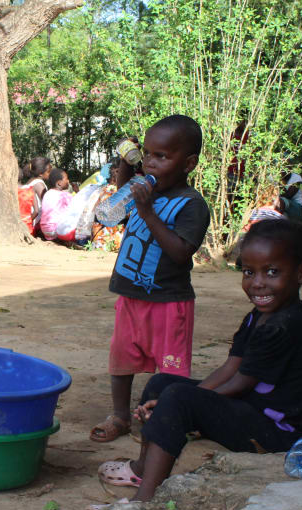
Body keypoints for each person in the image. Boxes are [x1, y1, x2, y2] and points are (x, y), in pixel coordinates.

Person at [89, 219, 302, 510]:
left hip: (278, 434)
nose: (258, 282)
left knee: (177, 397)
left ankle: (143, 501)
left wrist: (178, 403)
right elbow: (230, 368)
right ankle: (140, 469)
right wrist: (173, 399)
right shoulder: (259, 316)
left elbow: (240, 383)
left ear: (301, 273)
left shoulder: (283, 326)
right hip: (252, 409)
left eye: (272, 272)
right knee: (164, 384)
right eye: (249, 272)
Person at [89, 115, 211, 443]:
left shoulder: (192, 205)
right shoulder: (142, 191)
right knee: (122, 358)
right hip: (131, 296)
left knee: (170, 370)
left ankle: (165, 418)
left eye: (162, 156)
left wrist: (147, 213)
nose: (151, 163)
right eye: (147, 154)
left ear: (188, 164)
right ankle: (120, 415)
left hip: (169, 302)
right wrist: (126, 164)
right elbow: (116, 206)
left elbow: (181, 252)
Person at [39, 168, 74, 242]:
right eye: (66, 179)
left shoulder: (47, 193)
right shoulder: (65, 195)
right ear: (59, 183)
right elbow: (77, 208)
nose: (68, 181)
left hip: (45, 230)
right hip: (56, 230)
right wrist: (77, 191)